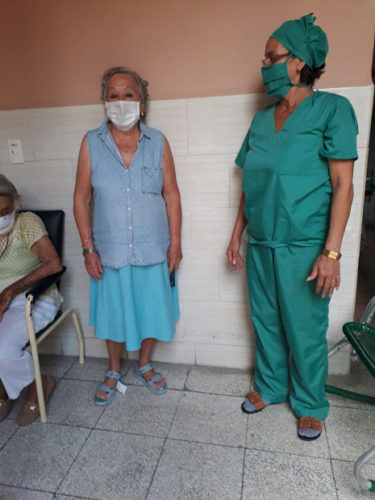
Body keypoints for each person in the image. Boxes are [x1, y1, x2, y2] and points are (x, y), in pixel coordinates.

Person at [227, 13, 358, 440]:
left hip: (307, 245)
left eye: (271, 56)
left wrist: (332, 254)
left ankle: (309, 402)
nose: (263, 63)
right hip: (262, 240)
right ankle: (269, 385)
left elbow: (343, 186)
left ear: (298, 61)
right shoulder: (262, 119)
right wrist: (236, 236)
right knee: (265, 320)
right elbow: (250, 181)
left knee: (303, 326)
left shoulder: (333, 110)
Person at [74, 66, 182, 405]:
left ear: (142, 103)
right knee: (113, 313)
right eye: (113, 95)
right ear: (105, 102)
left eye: (129, 95)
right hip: (109, 251)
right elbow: (81, 198)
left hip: (153, 248)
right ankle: (113, 368)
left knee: (151, 310)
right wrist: (88, 249)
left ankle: (145, 363)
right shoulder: (91, 143)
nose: (121, 102)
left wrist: (175, 245)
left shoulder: (158, 142)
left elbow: (172, 195)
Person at [0, 175, 63, 425]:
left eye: (5, 210)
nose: (1, 217)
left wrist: (9, 292)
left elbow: (53, 264)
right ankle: (3, 391)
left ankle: (39, 386)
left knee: (3, 349)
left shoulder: (27, 222)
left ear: (16, 204)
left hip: (32, 297)